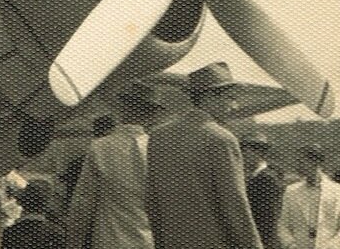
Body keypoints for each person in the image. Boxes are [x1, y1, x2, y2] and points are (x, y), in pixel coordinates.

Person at [145, 61, 263, 249]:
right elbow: (235, 205)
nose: (234, 106)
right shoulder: (222, 139)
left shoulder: (158, 136)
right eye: (230, 98)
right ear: (210, 96)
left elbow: (152, 202)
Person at [65, 81, 161, 249]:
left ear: (122, 108)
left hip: (109, 241)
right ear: (150, 114)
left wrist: (75, 243)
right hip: (148, 242)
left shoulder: (101, 147)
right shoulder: (160, 149)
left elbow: (83, 203)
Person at [276, 145, 340, 249]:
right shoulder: (291, 191)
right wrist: (291, 245)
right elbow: (283, 225)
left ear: (316, 162)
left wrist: (330, 247)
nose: (298, 166)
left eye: (302, 162)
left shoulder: (339, 191)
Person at [242, 132, 284, 249]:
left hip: (263, 241)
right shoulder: (249, 176)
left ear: (260, 153)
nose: (243, 156)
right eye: (243, 151)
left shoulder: (267, 179)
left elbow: (269, 218)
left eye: (247, 151)